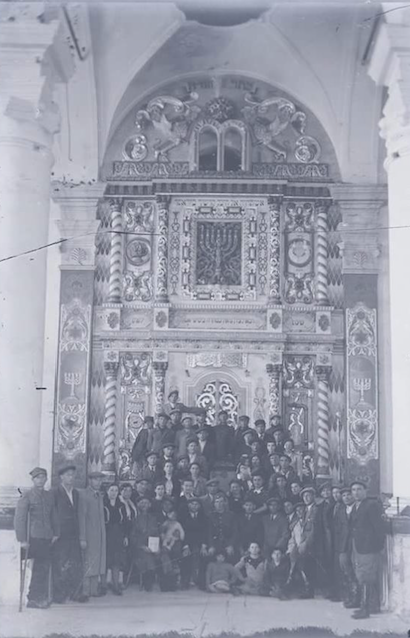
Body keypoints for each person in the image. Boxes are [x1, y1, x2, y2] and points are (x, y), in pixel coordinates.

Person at [14, 467, 59, 609]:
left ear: (46, 479)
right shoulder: (27, 496)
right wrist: (22, 540)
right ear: (33, 480)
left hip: (47, 536)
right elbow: (20, 519)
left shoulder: (49, 496)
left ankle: (40, 597)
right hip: (34, 536)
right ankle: (33, 598)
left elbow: (54, 516)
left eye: (43, 477)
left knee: (44, 567)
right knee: (39, 568)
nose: (41, 480)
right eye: (38, 477)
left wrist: (56, 533)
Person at [349, 480, 385, 619]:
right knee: (362, 576)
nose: (356, 492)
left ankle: (366, 609)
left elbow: (379, 528)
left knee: (366, 577)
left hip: (368, 547)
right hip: (358, 546)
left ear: (365, 491)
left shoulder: (372, 505)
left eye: (359, 489)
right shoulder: (356, 506)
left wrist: (378, 546)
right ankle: (373, 606)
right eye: (353, 490)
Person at [52, 465, 85, 604]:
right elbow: (52, 514)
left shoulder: (76, 493)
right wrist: (54, 532)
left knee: (75, 563)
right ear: (61, 477)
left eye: (73, 475)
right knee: (60, 563)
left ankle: (75, 593)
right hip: (60, 534)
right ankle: (59, 594)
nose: (71, 478)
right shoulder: (54, 492)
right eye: (68, 475)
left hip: (74, 534)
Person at [78, 471, 107, 598]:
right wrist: (82, 537)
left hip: (100, 535)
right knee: (88, 562)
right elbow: (81, 518)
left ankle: (94, 590)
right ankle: (85, 590)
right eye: (96, 480)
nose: (98, 482)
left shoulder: (99, 495)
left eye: (100, 480)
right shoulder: (84, 495)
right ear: (90, 480)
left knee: (98, 560)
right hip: (89, 535)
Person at [333, 487, 359, 608]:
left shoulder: (358, 508)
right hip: (343, 544)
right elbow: (337, 529)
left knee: (357, 569)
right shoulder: (341, 510)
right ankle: (350, 595)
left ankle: (358, 598)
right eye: (343, 496)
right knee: (345, 568)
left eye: (349, 495)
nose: (346, 497)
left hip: (356, 543)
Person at [131, 496, 160, 591]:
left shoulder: (153, 518)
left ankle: (166, 581)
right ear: (138, 504)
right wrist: (142, 546)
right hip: (139, 548)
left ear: (150, 505)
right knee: (147, 556)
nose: (144, 505)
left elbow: (156, 534)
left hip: (152, 546)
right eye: (142, 503)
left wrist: (156, 546)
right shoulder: (134, 519)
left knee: (160, 554)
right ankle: (148, 581)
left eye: (146, 503)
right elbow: (133, 536)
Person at [103, 484, 128, 595]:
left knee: (117, 560)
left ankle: (116, 584)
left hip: (118, 534)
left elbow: (125, 522)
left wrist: (125, 536)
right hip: (106, 533)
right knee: (106, 559)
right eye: (111, 490)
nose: (113, 492)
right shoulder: (103, 504)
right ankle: (103, 585)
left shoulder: (121, 505)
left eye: (116, 490)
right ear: (107, 491)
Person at [180, 498, 208, 590]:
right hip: (187, 542)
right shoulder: (183, 517)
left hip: (200, 542)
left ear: (199, 506)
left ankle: (201, 581)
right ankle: (185, 580)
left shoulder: (204, 517)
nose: (194, 506)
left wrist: (204, 546)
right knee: (186, 557)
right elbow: (182, 532)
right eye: (192, 504)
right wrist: (185, 546)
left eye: (196, 504)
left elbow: (206, 532)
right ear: (188, 505)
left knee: (204, 556)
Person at [159, 508, 185, 591]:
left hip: (175, 544)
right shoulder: (165, 524)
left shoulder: (177, 524)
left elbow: (182, 535)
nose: (173, 516)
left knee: (173, 560)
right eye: (171, 514)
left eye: (174, 515)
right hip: (165, 543)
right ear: (168, 514)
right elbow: (161, 533)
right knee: (164, 558)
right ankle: (167, 581)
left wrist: (177, 537)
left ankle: (172, 581)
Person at [207, 494, 238, 562]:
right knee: (209, 557)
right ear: (214, 504)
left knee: (232, 557)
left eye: (221, 501)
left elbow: (235, 532)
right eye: (217, 502)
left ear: (224, 503)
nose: (219, 504)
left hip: (228, 543)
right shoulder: (210, 516)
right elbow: (209, 532)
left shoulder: (231, 515)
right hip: (215, 543)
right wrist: (211, 546)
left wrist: (231, 545)